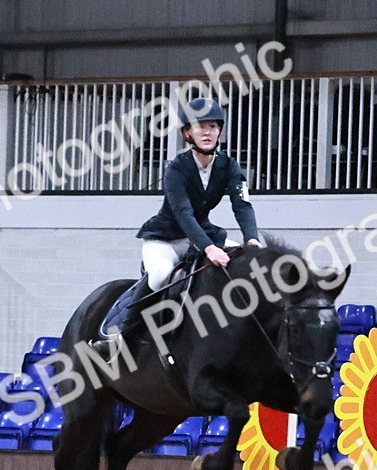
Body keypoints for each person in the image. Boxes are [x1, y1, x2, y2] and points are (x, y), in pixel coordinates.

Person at [93, 97, 263, 352]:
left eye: (213, 126)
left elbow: (242, 205)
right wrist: (209, 248)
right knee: (161, 275)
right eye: (199, 126)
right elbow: (183, 213)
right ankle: (121, 334)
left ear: (220, 131)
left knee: (246, 264)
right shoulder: (176, 169)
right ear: (187, 133)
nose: (207, 131)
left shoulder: (229, 166)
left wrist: (252, 238)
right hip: (166, 239)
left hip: (203, 235)